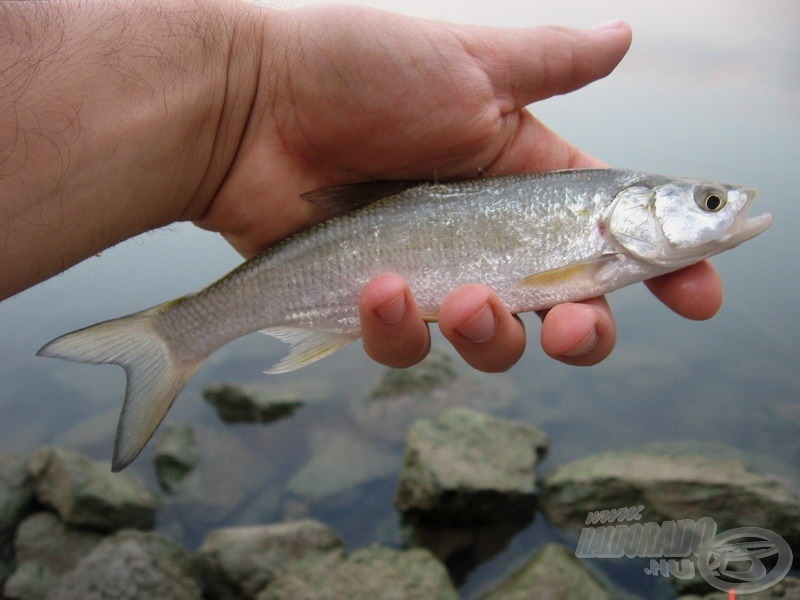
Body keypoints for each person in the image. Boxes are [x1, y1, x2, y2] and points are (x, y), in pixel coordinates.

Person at [0, 1, 722, 373]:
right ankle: (175, 336)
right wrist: (247, 92)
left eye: (710, 203)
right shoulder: (602, 218)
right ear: (635, 211)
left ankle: (182, 334)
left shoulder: (606, 217)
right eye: (710, 204)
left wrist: (245, 93)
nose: (723, 211)